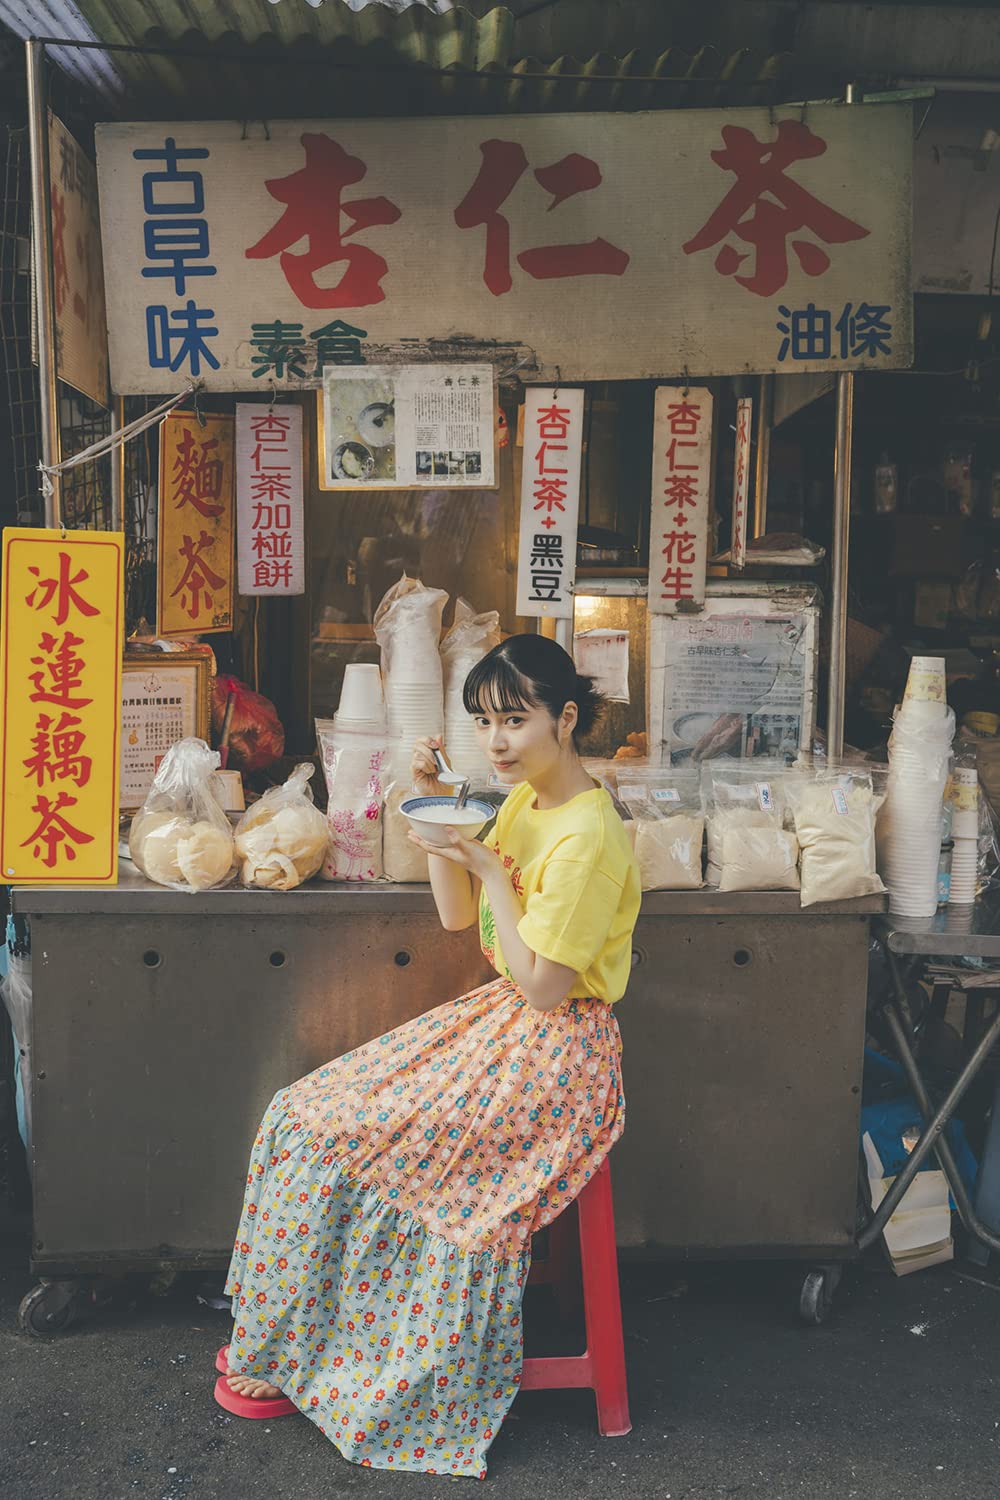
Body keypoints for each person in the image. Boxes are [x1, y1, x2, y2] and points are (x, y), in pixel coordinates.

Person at [217, 634, 641, 1478]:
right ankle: (291, 1339)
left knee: (336, 1137)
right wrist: (437, 810)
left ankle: (346, 1358)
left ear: (565, 719)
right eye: (485, 721)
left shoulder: (589, 836)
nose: (496, 742)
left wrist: (486, 867)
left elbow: (546, 986)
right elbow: (458, 922)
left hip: (557, 1055)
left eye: (515, 721)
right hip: (507, 1025)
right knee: (302, 1115)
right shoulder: (523, 802)